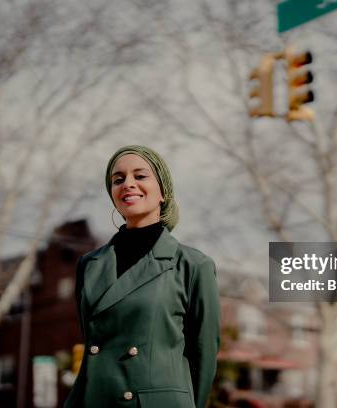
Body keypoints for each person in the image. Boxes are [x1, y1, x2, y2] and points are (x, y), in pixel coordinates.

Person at [64, 145, 221, 408]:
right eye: (118, 179)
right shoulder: (89, 265)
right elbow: (96, 346)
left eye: (140, 176)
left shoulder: (193, 265)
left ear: (163, 192)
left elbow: (203, 357)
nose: (128, 184)